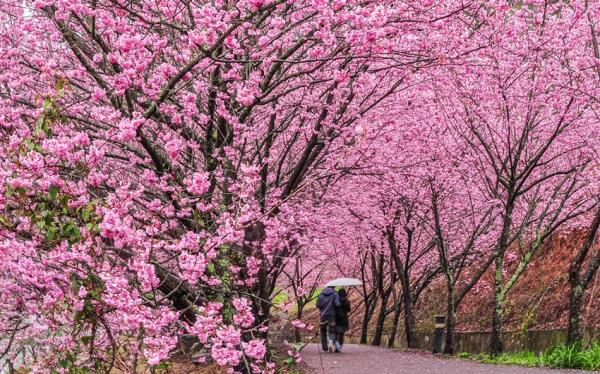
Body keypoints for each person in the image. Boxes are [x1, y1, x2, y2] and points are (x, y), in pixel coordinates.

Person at [316, 286, 340, 352]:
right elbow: (337, 304)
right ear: (334, 287)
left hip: (323, 315)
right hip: (332, 316)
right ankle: (331, 341)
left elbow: (317, 305)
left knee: (323, 331)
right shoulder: (335, 294)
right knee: (332, 330)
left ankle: (324, 349)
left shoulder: (321, 294)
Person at [335, 288, 351, 352]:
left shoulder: (335, 300)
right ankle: (340, 347)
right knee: (341, 334)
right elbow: (348, 310)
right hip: (344, 319)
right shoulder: (347, 301)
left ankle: (336, 346)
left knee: (336, 333)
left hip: (336, 318)